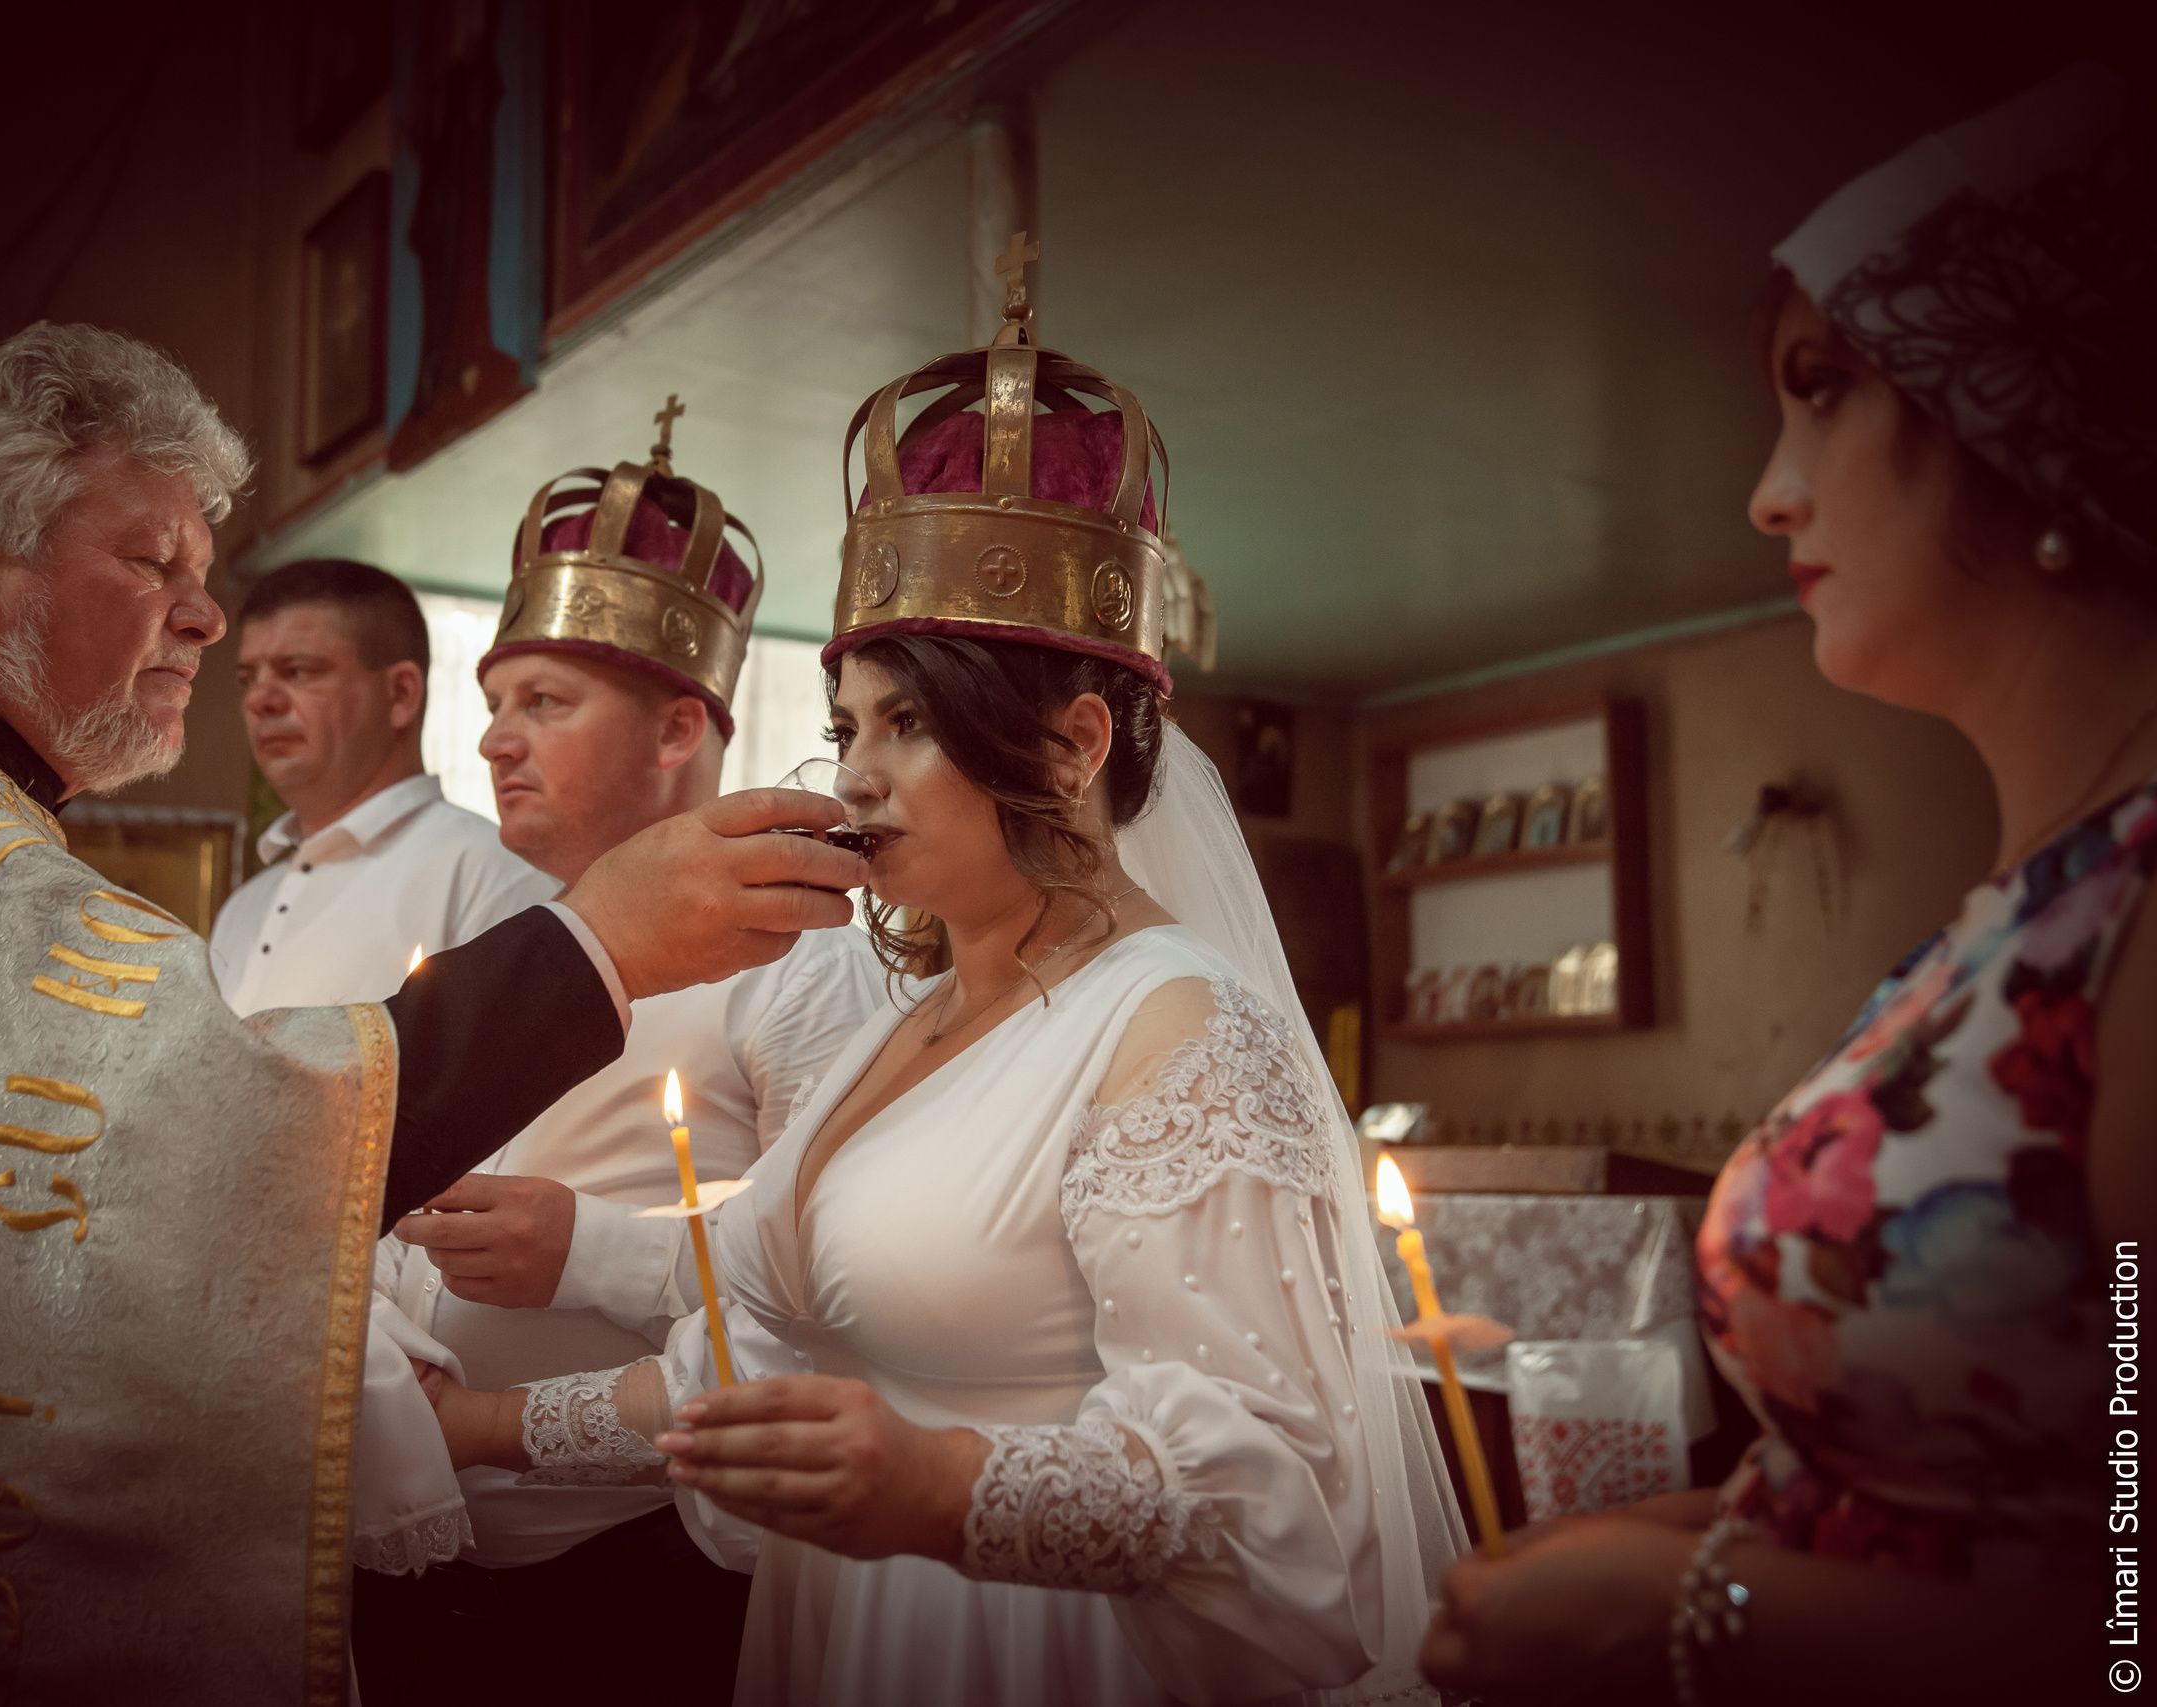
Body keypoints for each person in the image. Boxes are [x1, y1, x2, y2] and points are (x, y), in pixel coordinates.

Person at [0, 321, 865, 1694]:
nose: (207, 619)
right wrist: (597, 949)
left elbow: (825, 1284)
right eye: (157, 565)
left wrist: (542, 1334)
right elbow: (186, 1154)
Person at [427, 269, 1465, 1705]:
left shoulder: (1178, 1025)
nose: (853, 773)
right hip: (842, 1633)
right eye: (848, 721)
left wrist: (943, 1484)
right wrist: (482, 1423)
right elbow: (753, 1356)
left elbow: (1266, 1485)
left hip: (1029, 1647)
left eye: (908, 722)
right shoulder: (907, 1024)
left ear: (1073, 743)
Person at [1418, 65, 2156, 1707]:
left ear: (2021, 406)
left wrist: (1690, 1611)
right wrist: (1669, 1537)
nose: (1767, 487)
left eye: (1821, 388)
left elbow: (2122, 1614)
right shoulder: (2008, 919)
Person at [349, 416, 885, 1705]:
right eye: (491, 705)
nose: (492, 741)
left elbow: (846, 1284)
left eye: (543, 702)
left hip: (645, 1581)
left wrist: (585, 1244)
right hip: (433, 1568)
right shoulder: (497, 930)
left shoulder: (801, 954)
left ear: (675, 731)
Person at [211, 556, 553, 1011]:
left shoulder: (491, 875)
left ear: (400, 695)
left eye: (297, 671)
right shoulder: (244, 905)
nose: (260, 700)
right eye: (248, 678)